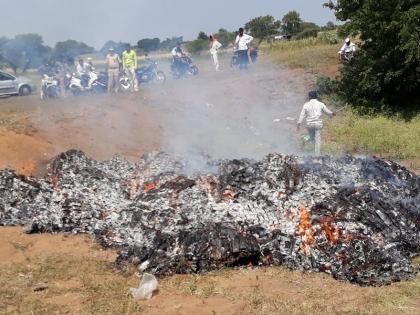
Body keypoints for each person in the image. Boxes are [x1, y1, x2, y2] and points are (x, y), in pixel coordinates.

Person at [297, 91, 335, 155]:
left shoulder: (306, 105)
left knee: (312, 138)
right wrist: (332, 114)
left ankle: (308, 147)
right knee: (317, 140)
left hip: (309, 125)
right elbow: (327, 112)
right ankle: (317, 155)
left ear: (309, 97)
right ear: (316, 96)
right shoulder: (321, 104)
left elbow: (302, 115)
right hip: (318, 124)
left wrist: (298, 124)